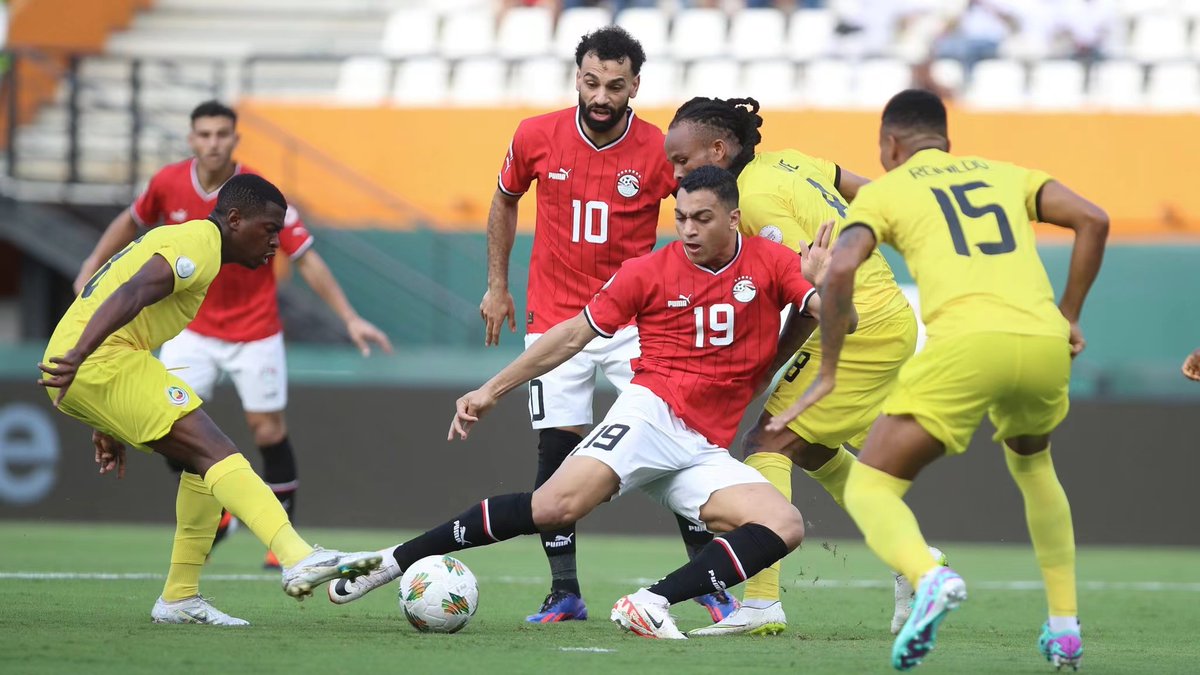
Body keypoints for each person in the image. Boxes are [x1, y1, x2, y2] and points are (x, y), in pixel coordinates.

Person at [328, 166, 856, 639]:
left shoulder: (773, 262)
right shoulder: (647, 272)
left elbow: (842, 324)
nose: (689, 230)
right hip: (651, 416)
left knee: (783, 525)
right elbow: (570, 337)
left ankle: (649, 603)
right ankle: (392, 561)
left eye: (703, 218)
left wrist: (828, 286)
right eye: (681, 217)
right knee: (553, 507)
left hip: (702, 447)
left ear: (734, 218)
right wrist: (491, 389)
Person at [770, 89, 1107, 670]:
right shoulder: (1007, 174)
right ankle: (1064, 628)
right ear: (946, 139)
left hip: (968, 347)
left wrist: (827, 372)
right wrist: (1071, 314)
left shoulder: (888, 191)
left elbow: (843, 264)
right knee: (1034, 468)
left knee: (873, 488)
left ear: (889, 144)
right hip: (1044, 342)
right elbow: (1093, 220)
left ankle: (929, 577)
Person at [40, 174, 383, 625]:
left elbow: (125, 299)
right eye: (269, 229)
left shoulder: (192, 241)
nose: (275, 242)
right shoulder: (199, 244)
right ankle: (296, 555)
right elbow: (133, 292)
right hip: (98, 359)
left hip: (101, 362)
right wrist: (80, 358)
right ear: (235, 220)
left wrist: (103, 418)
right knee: (215, 449)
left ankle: (180, 598)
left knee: (203, 465)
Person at [477, 25, 734, 623]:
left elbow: (701, 215)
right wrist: (496, 284)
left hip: (637, 321)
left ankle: (706, 585)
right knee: (556, 457)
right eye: (591, 82)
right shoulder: (535, 135)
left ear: (635, 86)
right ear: (577, 78)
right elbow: (505, 198)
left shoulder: (658, 150)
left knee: (679, 445)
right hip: (556, 319)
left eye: (614, 86)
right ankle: (564, 591)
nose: (601, 96)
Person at [72, 101, 392, 573]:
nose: (213, 142)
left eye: (222, 134)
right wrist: (91, 263)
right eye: (204, 134)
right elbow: (130, 221)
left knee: (268, 431)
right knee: (170, 425)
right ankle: (220, 512)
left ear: (235, 139)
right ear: (191, 139)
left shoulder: (260, 193)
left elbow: (304, 255)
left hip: (254, 328)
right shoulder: (168, 183)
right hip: (191, 329)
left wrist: (348, 317)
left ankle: (278, 537)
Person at [662, 96, 929, 637]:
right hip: (885, 315)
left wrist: (767, 369)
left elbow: (815, 289)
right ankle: (916, 562)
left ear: (719, 149)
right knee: (811, 448)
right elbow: (871, 195)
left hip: (860, 323)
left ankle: (761, 605)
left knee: (768, 443)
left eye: (682, 161)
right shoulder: (789, 160)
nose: (675, 173)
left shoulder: (756, 202)